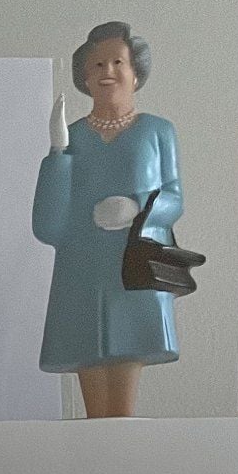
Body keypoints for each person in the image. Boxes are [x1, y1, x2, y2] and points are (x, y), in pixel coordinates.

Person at [33, 21, 184, 418]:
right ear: (85, 76)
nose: (108, 72)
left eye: (118, 62)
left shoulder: (157, 132)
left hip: (132, 267)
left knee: (127, 373)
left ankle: (121, 456)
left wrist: (138, 209)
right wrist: (57, 155)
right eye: (97, 64)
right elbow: (48, 225)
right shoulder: (74, 137)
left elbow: (173, 198)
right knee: (89, 359)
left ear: (136, 73)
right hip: (82, 269)